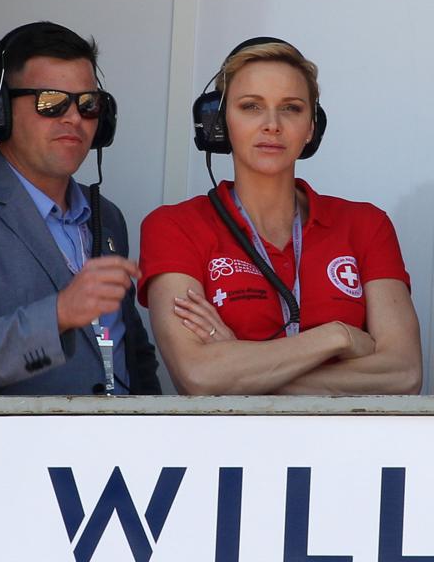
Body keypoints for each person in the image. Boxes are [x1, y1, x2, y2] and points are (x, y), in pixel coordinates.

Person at [138, 37, 421, 395]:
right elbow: (198, 376)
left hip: (351, 449)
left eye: (291, 108)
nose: (272, 124)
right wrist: (337, 337)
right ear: (219, 121)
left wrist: (240, 366)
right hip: (225, 450)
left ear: (311, 128)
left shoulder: (366, 224)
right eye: (251, 106)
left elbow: (403, 375)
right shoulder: (174, 226)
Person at [0, 21, 160, 396]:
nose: (73, 117)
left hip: (117, 450)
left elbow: (131, 353)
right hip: (18, 452)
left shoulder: (108, 217)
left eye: (89, 104)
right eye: (50, 102)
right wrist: (58, 315)